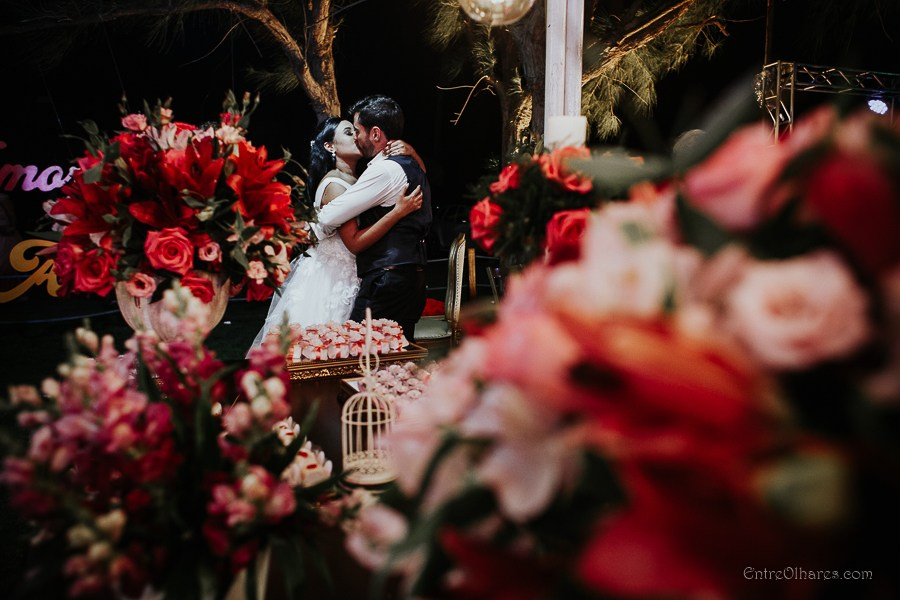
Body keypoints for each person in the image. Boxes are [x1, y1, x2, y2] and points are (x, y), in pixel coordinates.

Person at [248, 116, 423, 352]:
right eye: (348, 132)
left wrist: (411, 152)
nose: (356, 137)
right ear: (330, 146)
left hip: (353, 273)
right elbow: (354, 243)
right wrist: (399, 212)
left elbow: (418, 175)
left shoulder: (360, 179)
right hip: (333, 278)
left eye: (356, 131)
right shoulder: (335, 185)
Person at [313, 95, 432, 342]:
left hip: (387, 279)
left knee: (361, 356)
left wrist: (310, 230)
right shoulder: (409, 164)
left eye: (357, 130)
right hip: (414, 275)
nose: (355, 136)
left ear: (376, 134)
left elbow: (329, 216)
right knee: (396, 358)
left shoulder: (383, 170)